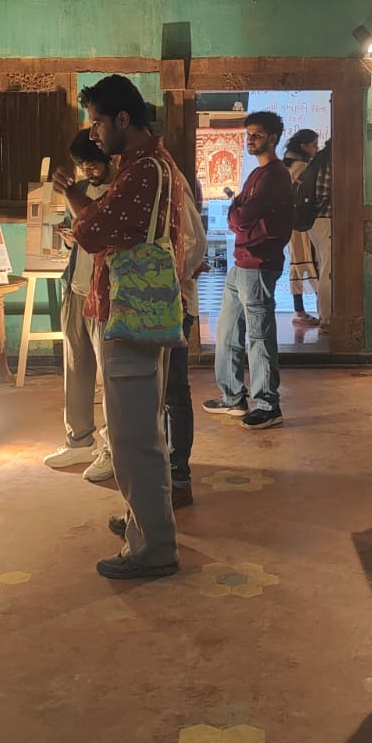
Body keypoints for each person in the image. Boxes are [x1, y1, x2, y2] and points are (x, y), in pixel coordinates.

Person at [53, 75, 190, 581]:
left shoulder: (143, 171)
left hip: (130, 318)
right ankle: (143, 523)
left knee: (134, 438)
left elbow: (91, 232)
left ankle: (153, 547)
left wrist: (77, 205)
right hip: (137, 316)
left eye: (97, 122)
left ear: (123, 119)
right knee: (138, 429)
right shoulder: (152, 165)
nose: (93, 134)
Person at [204, 110, 294, 430]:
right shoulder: (257, 174)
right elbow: (237, 214)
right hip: (241, 262)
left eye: (257, 135)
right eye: (248, 134)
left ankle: (268, 404)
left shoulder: (275, 176)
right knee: (227, 331)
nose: (250, 140)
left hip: (259, 263)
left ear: (273, 138)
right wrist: (238, 211)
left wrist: (238, 212)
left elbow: (240, 218)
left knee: (258, 335)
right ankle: (233, 396)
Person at [43, 130, 115, 479]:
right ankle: (78, 441)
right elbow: (82, 235)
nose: (89, 172)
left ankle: (112, 447)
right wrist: (72, 240)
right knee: (76, 367)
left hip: (104, 295)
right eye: (83, 166)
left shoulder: (119, 193)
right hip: (75, 288)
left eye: (94, 164)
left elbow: (106, 233)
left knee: (111, 374)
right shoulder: (81, 190)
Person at [164, 179, 209, 508]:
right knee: (156, 395)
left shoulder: (168, 178)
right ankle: (163, 474)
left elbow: (195, 243)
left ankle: (178, 478)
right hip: (149, 306)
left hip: (173, 304)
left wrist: (165, 279)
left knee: (173, 393)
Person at [296, 137, 333, 327]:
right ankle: (327, 318)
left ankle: (325, 315)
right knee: (328, 270)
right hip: (327, 219)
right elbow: (323, 193)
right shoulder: (330, 164)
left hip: (315, 222)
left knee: (323, 267)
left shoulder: (317, 161)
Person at [283, 129, 320, 322]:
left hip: (291, 222)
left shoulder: (287, 165)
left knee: (297, 262)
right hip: (304, 222)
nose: (316, 149)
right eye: (314, 145)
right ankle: (321, 310)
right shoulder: (302, 167)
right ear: (303, 146)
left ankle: (299, 309)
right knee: (312, 261)